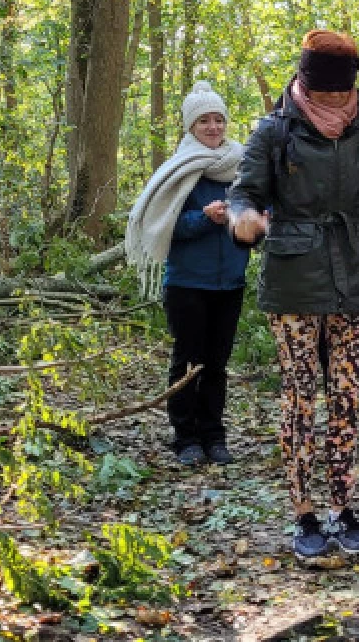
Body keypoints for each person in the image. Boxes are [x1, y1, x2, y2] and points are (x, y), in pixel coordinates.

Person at [227, 30, 359, 562]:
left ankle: (343, 507)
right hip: (293, 275)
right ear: (306, 84)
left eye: (342, 94)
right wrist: (243, 218)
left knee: (348, 395)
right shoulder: (274, 130)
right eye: (325, 94)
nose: (335, 103)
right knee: (299, 395)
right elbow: (245, 191)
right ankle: (303, 513)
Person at [125, 81, 249, 467]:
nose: (213, 127)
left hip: (230, 281)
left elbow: (255, 218)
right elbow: (161, 227)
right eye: (204, 122)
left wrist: (253, 222)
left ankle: (215, 436)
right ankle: (185, 438)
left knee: (217, 363)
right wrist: (204, 219)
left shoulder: (242, 165)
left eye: (218, 120)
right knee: (187, 361)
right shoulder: (177, 170)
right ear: (191, 127)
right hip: (186, 283)